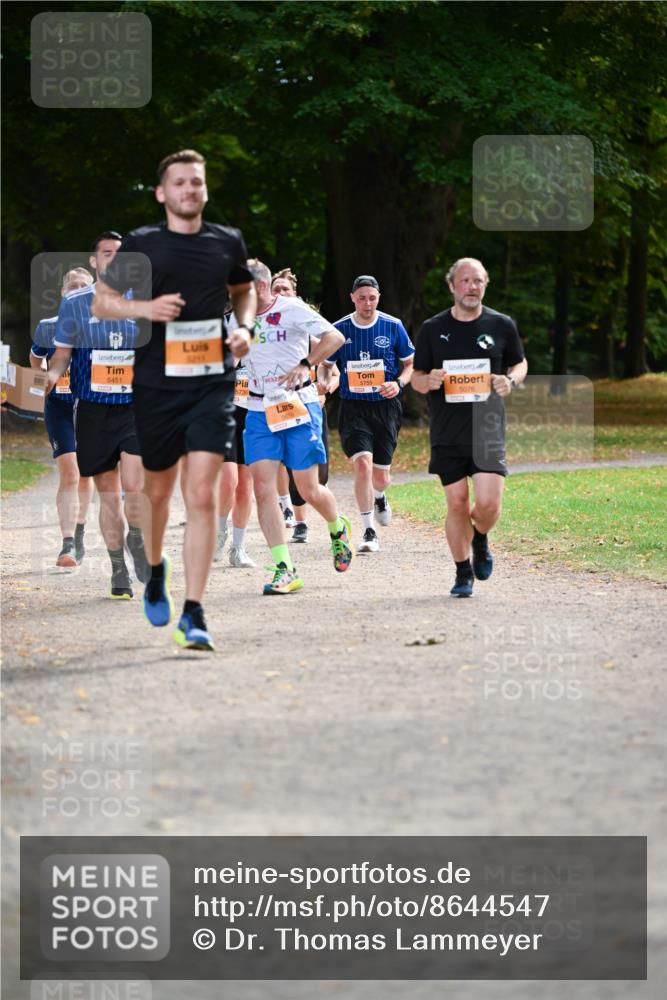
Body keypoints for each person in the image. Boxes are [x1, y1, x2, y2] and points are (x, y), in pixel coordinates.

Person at [91, 149, 256, 651]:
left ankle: (195, 611)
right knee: (158, 495)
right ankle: (157, 569)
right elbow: (102, 302)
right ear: (162, 192)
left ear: (204, 190)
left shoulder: (226, 240)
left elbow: (244, 289)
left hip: (212, 383)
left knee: (202, 493)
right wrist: (145, 307)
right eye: (180, 183)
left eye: (197, 183)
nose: (189, 190)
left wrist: (244, 327)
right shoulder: (142, 244)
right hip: (157, 386)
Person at [412, 257, 528, 597]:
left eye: (477, 281)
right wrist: (428, 380)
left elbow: (519, 363)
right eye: (464, 281)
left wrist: (511, 380)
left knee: (489, 505)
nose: (471, 287)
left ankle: (480, 538)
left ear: (485, 284)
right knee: (458, 504)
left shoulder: (501, 324)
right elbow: (416, 379)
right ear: (452, 286)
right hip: (447, 431)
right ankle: (463, 572)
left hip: (487, 429)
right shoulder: (433, 329)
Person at [44, 233, 148, 600]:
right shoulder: (75, 304)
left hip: (135, 408)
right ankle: (118, 569)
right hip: (92, 409)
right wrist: (54, 375)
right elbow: (61, 354)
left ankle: (137, 537)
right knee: (108, 496)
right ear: (95, 262)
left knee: (134, 487)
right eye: (108, 255)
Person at [243, 258, 353, 594]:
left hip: (297, 405)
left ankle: (337, 528)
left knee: (307, 490)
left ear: (261, 286)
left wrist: (307, 364)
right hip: (258, 408)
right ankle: (284, 568)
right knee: (263, 488)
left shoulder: (291, 308)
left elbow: (334, 337)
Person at [319, 275, 414, 553]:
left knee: (380, 477)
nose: (367, 303)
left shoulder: (393, 326)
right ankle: (369, 530)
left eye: (372, 297)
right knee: (362, 465)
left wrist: (398, 384)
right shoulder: (338, 330)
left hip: (385, 407)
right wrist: (324, 380)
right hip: (353, 407)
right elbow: (325, 365)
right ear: (352, 298)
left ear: (378, 298)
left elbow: (409, 363)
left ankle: (381, 496)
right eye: (362, 298)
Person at [269, 268, 340, 544]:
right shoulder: (264, 329)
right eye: (276, 289)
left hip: (309, 405)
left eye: (285, 289)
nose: (280, 294)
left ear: (295, 294)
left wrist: (326, 388)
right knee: (281, 464)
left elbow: (333, 372)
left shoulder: (311, 334)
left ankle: (332, 520)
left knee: (318, 477)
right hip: (275, 407)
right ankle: (296, 518)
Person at [30, 267, 95, 567]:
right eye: (73, 286)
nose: (78, 290)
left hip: (91, 406)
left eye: (84, 286)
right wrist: (41, 376)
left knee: (85, 474)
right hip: (59, 407)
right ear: (63, 292)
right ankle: (67, 543)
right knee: (70, 472)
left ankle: (79, 534)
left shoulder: (100, 328)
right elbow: (35, 356)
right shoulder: (48, 327)